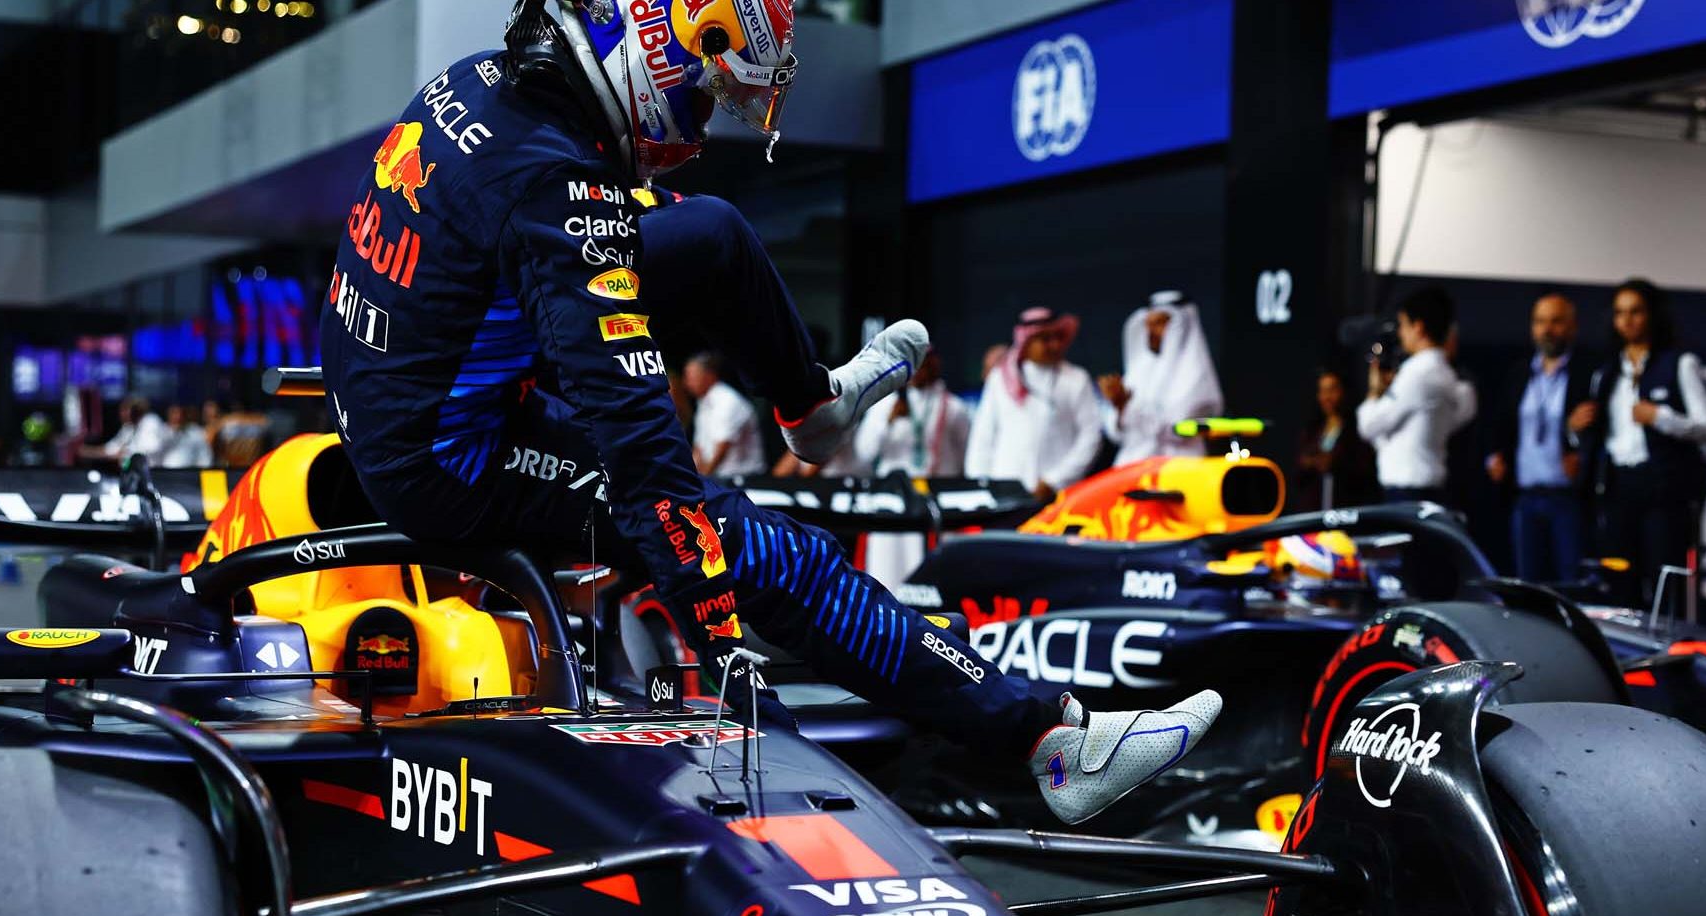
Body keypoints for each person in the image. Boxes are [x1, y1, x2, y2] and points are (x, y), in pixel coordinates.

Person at [316, 0, 1217, 825]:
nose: (698, 132)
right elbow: (641, 453)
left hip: (404, 387)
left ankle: (812, 410)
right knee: (776, 552)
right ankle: (1051, 744)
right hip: (447, 456)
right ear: (668, 50)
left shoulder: (486, 78)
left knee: (712, 230)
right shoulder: (555, 196)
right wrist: (724, 639)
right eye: (706, 103)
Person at [1572, 279, 1706, 609]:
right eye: (1620, 313)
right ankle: (1626, 656)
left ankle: (1670, 655)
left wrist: (1662, 417)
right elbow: (1601, 437)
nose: (1627, 320)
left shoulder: (1679, 363)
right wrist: (1577, 429)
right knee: (1619, 579)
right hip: (1618, 488)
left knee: (1665, 582)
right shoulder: (1607, 373)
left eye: (1636, 311)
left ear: (1652, 315)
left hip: (1663, 488)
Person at [1485, 293, 1593, 583]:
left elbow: (1598, 429)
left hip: (1567, 498)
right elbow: (1502, 424)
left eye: (1556, 321)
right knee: (1526, 583)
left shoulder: (1588, 374)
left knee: (1570, 582)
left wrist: (1576, 440)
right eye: (1540, 322)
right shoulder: (1520, 373)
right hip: (1525, 496)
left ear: (1572, 327)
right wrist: (1495, 457)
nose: (1547, 329)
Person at [854, 349, 971, 585]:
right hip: (892, 503)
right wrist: (888, 422)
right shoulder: (884, 405)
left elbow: (964, 457)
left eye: (925, 363)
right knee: (887, 570)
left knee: (931, 574)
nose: (919, 371)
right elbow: (864, 453)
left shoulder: (953, 407)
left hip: (934, 501)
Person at [964, 307, 1104, 500]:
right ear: (1026, 341)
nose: (1054, 345)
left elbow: (1091, 436)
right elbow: (983, 437)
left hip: (1058, 493)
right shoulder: (1000, 378)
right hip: (1004, 491)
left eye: (1058, 337)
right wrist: (979, 485)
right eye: (1045, 339)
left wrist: (1055, 480)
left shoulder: (1076, 379)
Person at [1356, 286, 1476, 505]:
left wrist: (1375, 391)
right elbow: (1465, 409)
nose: (1400, 333)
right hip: (1427, 491)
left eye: (1402, 325)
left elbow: (1369, 425)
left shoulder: (1417, 374)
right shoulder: (1446, 375)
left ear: (1418, 327)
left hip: (1406, 494)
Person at [1099, 291, 1225, 465]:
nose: (1151, 331)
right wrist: (1120, 408)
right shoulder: (1141, 369)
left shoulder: (1195, 373)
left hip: (1178, 467)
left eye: (1159, 323)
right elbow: (1117, 433)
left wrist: (1128, 407)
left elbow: (1174, 430)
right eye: (1148, 324)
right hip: (1133, 469)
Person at [1293, 370, 1377, 512]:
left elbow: (1364, 472)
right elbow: (1298, 473)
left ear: (1344, 392)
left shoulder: (1358, 429)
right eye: (1323, 391)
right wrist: (1310, 463)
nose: (1327, 397)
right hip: (1314, 512)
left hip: (1346, 510)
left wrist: (1336, 464)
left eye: (1332, 390)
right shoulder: (1312, 430)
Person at [682, 353, 764, 477]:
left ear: (709, 376)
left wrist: (703, 482)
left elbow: (722, 449)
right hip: (719, 477)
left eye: (692, 377)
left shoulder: (728, 400)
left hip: (744, 478)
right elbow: (699, 449)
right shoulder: (703, 401)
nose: (687, 383)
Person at [89, 396, 170, 465]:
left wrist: (124, 453)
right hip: (132, 472)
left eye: (125, 410)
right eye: (121, 410)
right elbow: (111, 448)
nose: (121, 414)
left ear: (137, 410)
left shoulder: (151, 421)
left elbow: (149, 450)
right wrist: (87, 451)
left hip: (154, 472)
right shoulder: (127, 427)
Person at [158, 404, 215, 469]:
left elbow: (205, 458)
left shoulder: (196, 432)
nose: (178, 416)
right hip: (163, 475)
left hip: (189, 475)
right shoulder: (160, 431)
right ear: (168, 414)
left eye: (181, 413)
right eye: (174, 413)